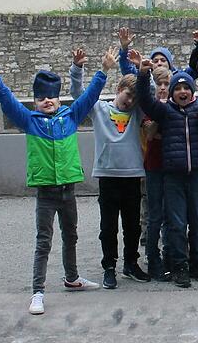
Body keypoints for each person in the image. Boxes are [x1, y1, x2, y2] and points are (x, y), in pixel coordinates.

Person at [0, 53, 110, 315]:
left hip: (68, 190)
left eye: (51, 96)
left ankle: (72, 277)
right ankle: (38, 291)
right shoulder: (29, 121)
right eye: (40, 98)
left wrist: (103, 70)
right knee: (44, 241)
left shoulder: (70, 116)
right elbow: (8, 102)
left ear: (58, 99)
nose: (47, 101)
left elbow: (90, 95)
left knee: (71, 235)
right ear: (35, 102)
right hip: (46, 192)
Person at [69, 48, 150, 289]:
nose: (131, 100)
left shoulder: (137, 112)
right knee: (108, 227)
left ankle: (131, 264)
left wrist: (138, 70)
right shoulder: (100, 109)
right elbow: (78, 95)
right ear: (118, 90)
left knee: (133, 225)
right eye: (127, 95)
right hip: (107, 176)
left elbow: (150, 93)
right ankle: (109, 267)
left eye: (135, 98)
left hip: (132, 175)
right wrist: (79, 69)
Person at [136, 57, 198, 288]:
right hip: (173, 176)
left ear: (192, 91)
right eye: (178, 88)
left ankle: (196, 263)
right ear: (172, 93)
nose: (182, 91)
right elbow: (144, 100)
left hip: (196, 176)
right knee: (176, 223)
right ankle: (179, 266)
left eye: (186, 88)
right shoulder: (164, 111)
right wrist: (143, 75)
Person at [141, 66, 173, 281]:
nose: (163, 88)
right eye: (159, 85)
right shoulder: (149, 109)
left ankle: (172, 254)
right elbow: (150, 133)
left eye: (166, 85)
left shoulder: (177, 107)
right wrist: (160, 113)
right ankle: (152, 256)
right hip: (153, 166)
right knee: (154, 215)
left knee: (173, 214)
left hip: (174, 166)